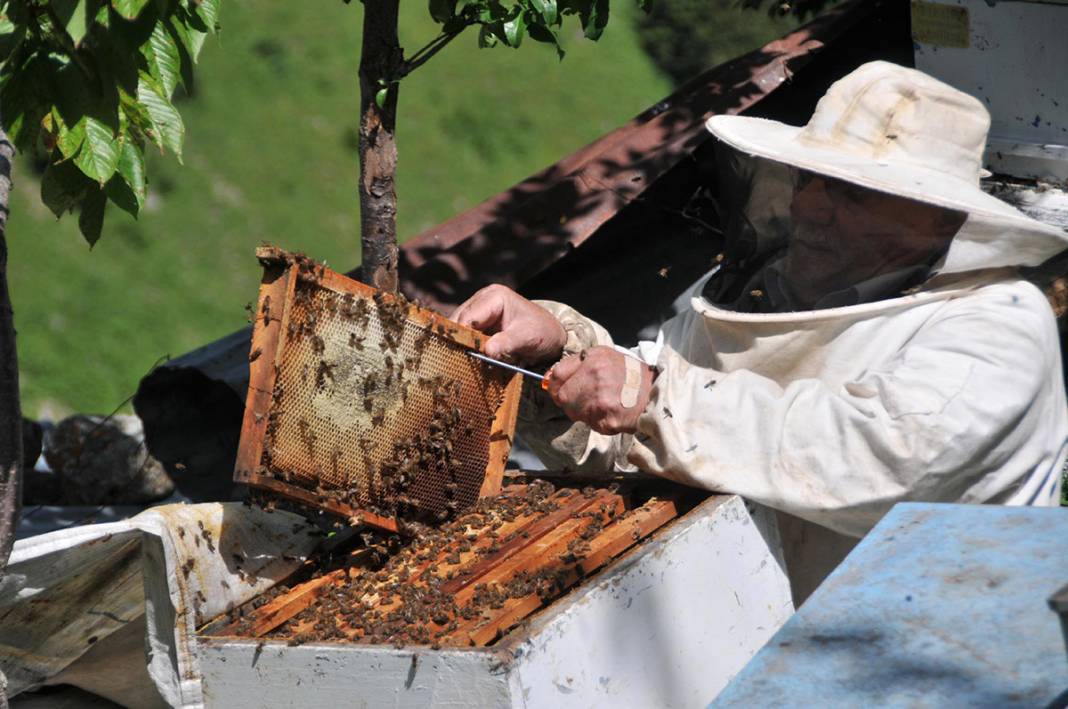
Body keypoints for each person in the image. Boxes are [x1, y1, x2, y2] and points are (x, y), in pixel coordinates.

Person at [453, 62, 1068, 601]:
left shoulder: (999, 325)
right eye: (809, 179)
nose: (812, 207)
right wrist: (561, 351)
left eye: (853, 194)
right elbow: (643, 427)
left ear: (937, 221)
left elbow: (887, 453)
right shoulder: (760, 294)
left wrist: (654, 399)